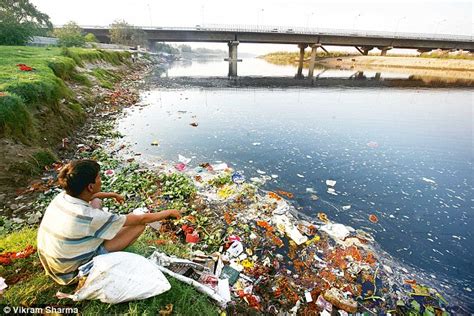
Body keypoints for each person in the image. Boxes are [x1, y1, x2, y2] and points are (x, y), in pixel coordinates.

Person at [37, 159, 181, 285]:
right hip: (72, 273)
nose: (101, 179)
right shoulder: (90, 216)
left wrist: (111, 195)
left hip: (55, 265)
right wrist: (169, 212)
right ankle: (102, 263)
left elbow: (91, 196)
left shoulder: (62, 197)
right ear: (90, 186)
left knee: (96, 200)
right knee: (138, 226)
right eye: (98, 177)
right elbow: (140, 218)